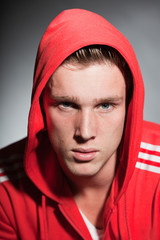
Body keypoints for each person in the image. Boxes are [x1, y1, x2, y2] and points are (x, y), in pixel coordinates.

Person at [0, 8, 160, 240]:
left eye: (105, 106)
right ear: (41, 107)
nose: (85, 132)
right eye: (67, 104)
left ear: (130, 107)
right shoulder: (5, 190)